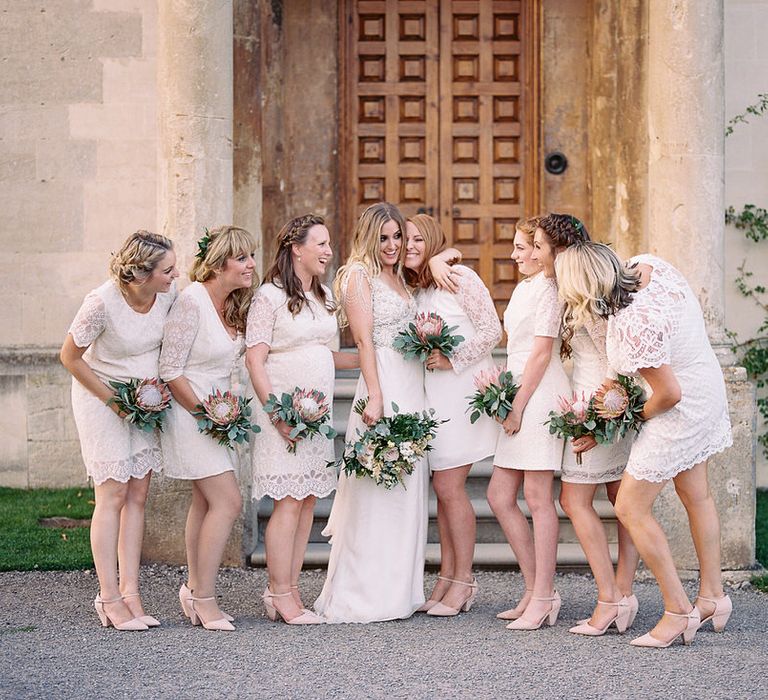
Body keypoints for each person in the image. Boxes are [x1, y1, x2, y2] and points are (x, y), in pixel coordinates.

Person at [555, 242, 733, 647]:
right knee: (696, 494)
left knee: (630, 505)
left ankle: (677, 611)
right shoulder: (647, 265)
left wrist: (633, 418)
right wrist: (604, 420)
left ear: (580, 287)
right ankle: (712, 597)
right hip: (704, 384)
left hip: (680, 404)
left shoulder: (632, 322)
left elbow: (667, 393)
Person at [314, 202, 427, 623]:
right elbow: (363, 342)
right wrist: (376, 397)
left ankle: (399, 591)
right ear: (368, 237)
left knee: (406, 487)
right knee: (379, 489)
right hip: (383, 384)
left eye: (397, 236)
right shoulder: (357, 276)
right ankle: (364, 594)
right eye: (384, 237)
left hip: (412, 386)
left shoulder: (397, 276)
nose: (393, 245)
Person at [61, 230, 179, 631]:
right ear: (141, 274)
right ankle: (108, 597)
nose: (174, 275)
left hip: (145, 402)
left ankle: (132, 593)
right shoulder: (101, 302)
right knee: (112, 493)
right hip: (102, 400)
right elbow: (69, 356)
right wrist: (113, 401)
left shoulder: (166, 296)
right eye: (167, 269)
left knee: (138, 494)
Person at [246, 214, 358, 625]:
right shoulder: (269, 297)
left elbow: (325, 354)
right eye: (321, 244)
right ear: (297, 248)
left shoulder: (324, 295)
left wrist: (375, 359)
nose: (329, 252)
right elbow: (255, 358)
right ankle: (279, 593)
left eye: (329, 244)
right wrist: (277, 415)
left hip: (317, 415)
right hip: (285, 416)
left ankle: (289, 590)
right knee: (288, 503)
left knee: (308, 500)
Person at [532, 214, 640, 637]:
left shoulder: (590, 302)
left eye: (540, 246)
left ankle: (611, 598)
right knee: (621, 500)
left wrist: (598, 420)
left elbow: (617, 365)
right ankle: (623, 594)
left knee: (575, 501)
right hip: (598, 401)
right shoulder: (586, 293)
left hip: (601, 406)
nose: (537, 254)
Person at [160, 226, 257, 632]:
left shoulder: (231, 303)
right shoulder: (192, 301)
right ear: (219, 264)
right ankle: (205, 599)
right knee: (228, 502)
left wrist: (224, 413)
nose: (252, 264)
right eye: (243, 258)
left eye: (252, 256)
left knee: (205, 504)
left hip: (218, 417)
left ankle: (194, 589)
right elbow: (170, 370)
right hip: (191, 415)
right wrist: (206, 413)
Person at [403, 214, 501, 616]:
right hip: (432, 399)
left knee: (449, 487)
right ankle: (446, 576)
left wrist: (453, 357)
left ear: (433, 241)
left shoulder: (460, 278)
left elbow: (492, 330)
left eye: (417, 239)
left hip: (461, 392)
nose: (409, 245)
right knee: (442, 491)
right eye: (403, 239)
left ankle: (464, 580)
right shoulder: (418, 288)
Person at [486, 216, 570, 631]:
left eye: (525, 247)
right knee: (500, 495)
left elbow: (540, 354)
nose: (516, 254)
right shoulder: (523, 288)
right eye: (519, 246)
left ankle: (542, 597)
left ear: (542, 251)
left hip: (538, 395)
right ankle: (536, 587)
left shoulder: (551, 290)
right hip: (519, 388)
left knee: (538, 497)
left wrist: (517, 405)